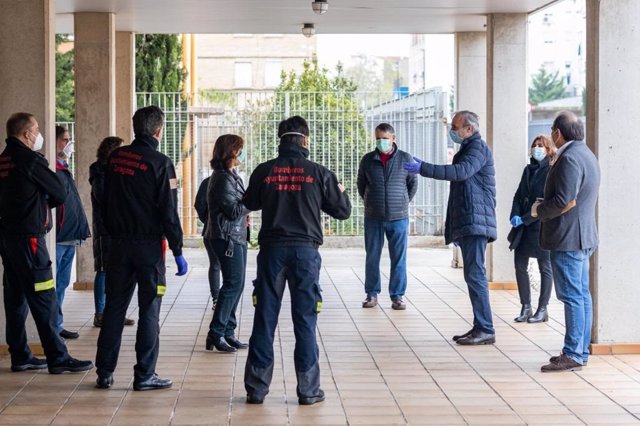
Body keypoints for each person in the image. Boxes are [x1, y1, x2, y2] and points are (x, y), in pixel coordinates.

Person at [243, 116, 351, 405]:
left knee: (265, 317)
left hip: (272, 253)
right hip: (305, 253)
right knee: (305, 320)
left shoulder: (264, 171)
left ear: (280, 140)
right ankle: (308, 390)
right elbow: (343, 211)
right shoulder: (319, 172)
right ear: (305, 140)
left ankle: (256, 388)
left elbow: (249, 202)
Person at [95, 106, 188, 390]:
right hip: (148, 249)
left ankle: (104, 372)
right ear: (158, 131)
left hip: (119, 246)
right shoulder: (160, 163)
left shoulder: (115, 159)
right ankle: (145, 374)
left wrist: (112, 234)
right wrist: (178, 250)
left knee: (114, 308)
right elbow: (169, 212)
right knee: (149, 309)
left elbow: (103, 200)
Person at [0, 112, 93, 374]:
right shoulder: (30, 160)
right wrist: (42, 204)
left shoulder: (3, 161)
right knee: (45, 297)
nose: (39, 134)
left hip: (8, 238)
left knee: (15, 297)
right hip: (30, 240)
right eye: (37, 129)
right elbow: (59, 191)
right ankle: (58, 357)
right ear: (27, 134)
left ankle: (20, 355)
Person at [404, 110, 497, 345]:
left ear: (469, 129)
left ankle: (485, 328)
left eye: (455, 127)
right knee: (472, 274)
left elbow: (459, 173)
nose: (451, 131)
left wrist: (423, 167)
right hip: (470, 221)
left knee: (475, 275)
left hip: (476, 222)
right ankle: (480, 326)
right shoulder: (468, 148)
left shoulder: (477, 148)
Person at [533, 111, 599, 373]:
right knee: (582, 295)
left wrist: (539, 211)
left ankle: (573, 353)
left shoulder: (569, 158)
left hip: (568, 238)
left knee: (572, 296)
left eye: (551, 130)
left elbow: (564, 201)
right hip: (582, 235)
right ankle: (580, 352)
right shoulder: (586, 153)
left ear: (557, 133)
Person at [357, 123, 417, 310]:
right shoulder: (368, 160)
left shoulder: (406, 158)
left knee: (399, 258)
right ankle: (371, 294)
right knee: (372, 256)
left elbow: (412, 184)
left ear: (393, 138)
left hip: (398, 217)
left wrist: (402, 201)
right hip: (373, 216)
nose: (381, 142)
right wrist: (370, 202)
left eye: (385, 138)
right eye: (378, 138)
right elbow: (361, 185)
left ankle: (397, 296)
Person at [203, 134, 250, 353]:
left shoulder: (232, 176)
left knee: (236, 285)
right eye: (239, 149)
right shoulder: (221, 178)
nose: (241, 153)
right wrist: (252, 201)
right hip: (226, 237)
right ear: (230, 152)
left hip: (236, 236)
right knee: (232, 284)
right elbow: (233, 210)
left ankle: (228, 331)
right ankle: (216, 332)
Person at [508, 135, 556, 323]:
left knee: (545, 266)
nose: (537, 148)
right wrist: (514, 214)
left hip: (540, 224)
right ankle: (525, 306)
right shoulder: (528, 170)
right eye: (534, 146)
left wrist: (526, 218)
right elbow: (518, 195)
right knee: (520, 265)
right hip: (523, 227)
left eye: (541, 146)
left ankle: (542, 308)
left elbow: (545, 201)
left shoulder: (551, 171)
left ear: (548, 149)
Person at [89, 136, 135, 328]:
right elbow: (103, 197)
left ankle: (115, 311)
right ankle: (100, 313)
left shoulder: (117, 170)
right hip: (105, 229)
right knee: (103, 270)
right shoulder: (100, 170)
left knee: (117, 271)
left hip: (119, 229)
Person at [54, 126, 91, 340]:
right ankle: (52, 327)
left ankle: (57, 325)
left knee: (62, 284)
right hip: (59, 237)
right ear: (56, 141)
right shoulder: (51, 168)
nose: (69, 144)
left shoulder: (64, 167)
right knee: (53, 283)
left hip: (70, 236)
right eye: (65, 140)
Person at [195, 175, 221, 310]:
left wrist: (208, 219)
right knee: (231, 269)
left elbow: (199, 204)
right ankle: (225, 300)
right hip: (231, 233)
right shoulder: (235, 180)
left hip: (210, 230)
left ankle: (216, 299)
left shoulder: (208, 181)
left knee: (215, 264)